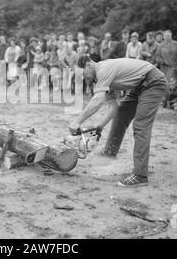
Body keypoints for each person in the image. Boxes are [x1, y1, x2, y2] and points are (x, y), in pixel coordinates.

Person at [68, 55, 167, 187]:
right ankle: (110, 150)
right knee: (121, 113)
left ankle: (140, 175)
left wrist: (77, 121)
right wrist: (100, 126)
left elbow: (98, 100)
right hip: (139, 85)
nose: (82, 77)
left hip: (153, 82)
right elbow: (113, 107)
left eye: (81, 73)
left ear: (88, 65)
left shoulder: (103, 70)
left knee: (141, 125)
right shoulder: (100, 78)